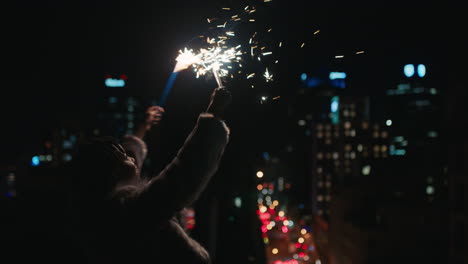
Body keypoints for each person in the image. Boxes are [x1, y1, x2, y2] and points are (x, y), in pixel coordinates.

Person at [69, 87, 231, 264]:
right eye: (117, 153)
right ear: (105, 173)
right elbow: (182, 175)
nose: (124, 151)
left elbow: (131, 154)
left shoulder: (110, 212)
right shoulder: (127, 213)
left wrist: (143, 126)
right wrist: (213, 114)